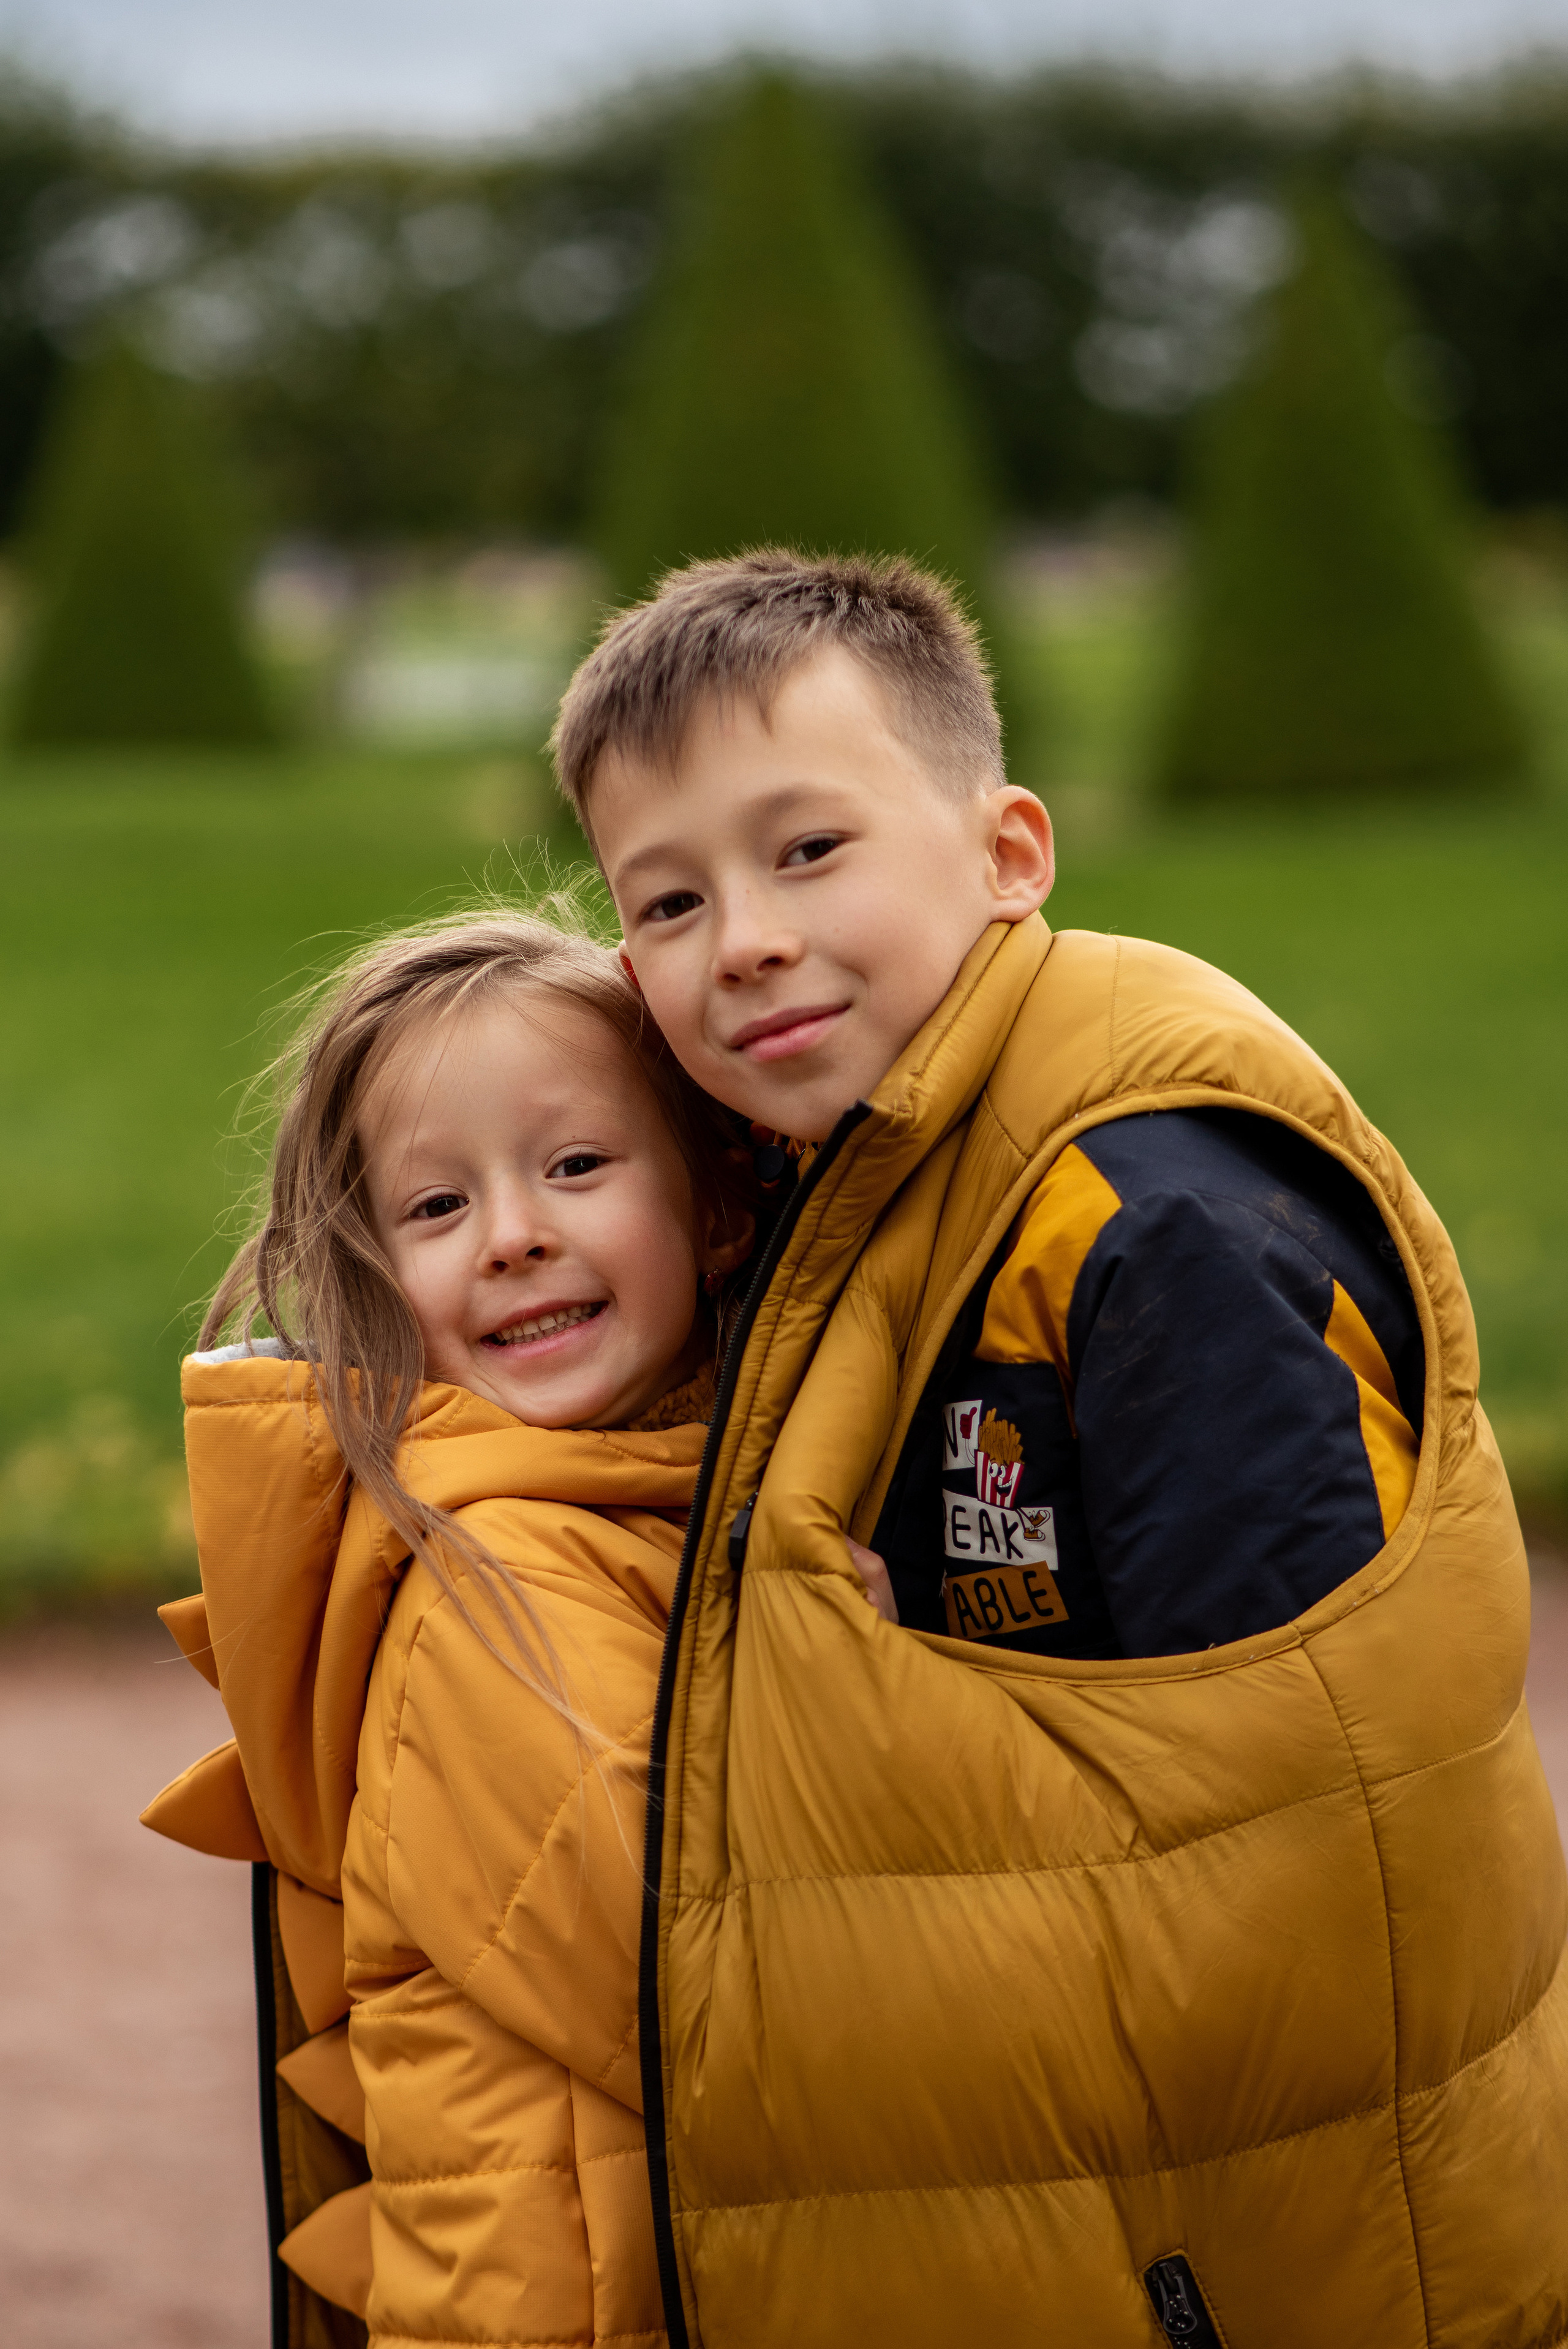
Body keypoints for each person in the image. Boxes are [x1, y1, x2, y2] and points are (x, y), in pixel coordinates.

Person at [548, 549, 1568, 2346]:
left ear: (1010, 852)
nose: (748, 938)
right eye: (668, 900)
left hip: (1244, 2258)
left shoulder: (1148, 1216)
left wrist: (850, 1699)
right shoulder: (860, 1157)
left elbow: (1294, 1800)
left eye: (807, 850)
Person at [143, 910, 880, 2349]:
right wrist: (851, 1664)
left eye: (577, 1166)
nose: (515, 1234)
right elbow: (704, 1983)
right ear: (374, 1288)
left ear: (717, 1201)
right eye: (435, 1209)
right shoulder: (492, 1589)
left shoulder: (648, 1498)